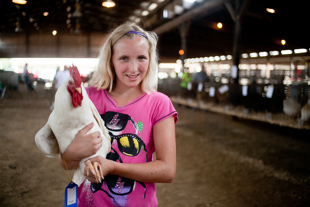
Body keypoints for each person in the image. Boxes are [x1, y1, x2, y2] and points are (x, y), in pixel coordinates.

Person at [59, 22, 178, 206]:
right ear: (111, 60)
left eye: (141, 58)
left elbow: (167, 170)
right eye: (124, 58)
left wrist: (113, 167)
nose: (133, 68)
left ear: (150, 59)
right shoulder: (87, 97)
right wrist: (74, 151)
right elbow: (65, 162)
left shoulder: (159, 103)